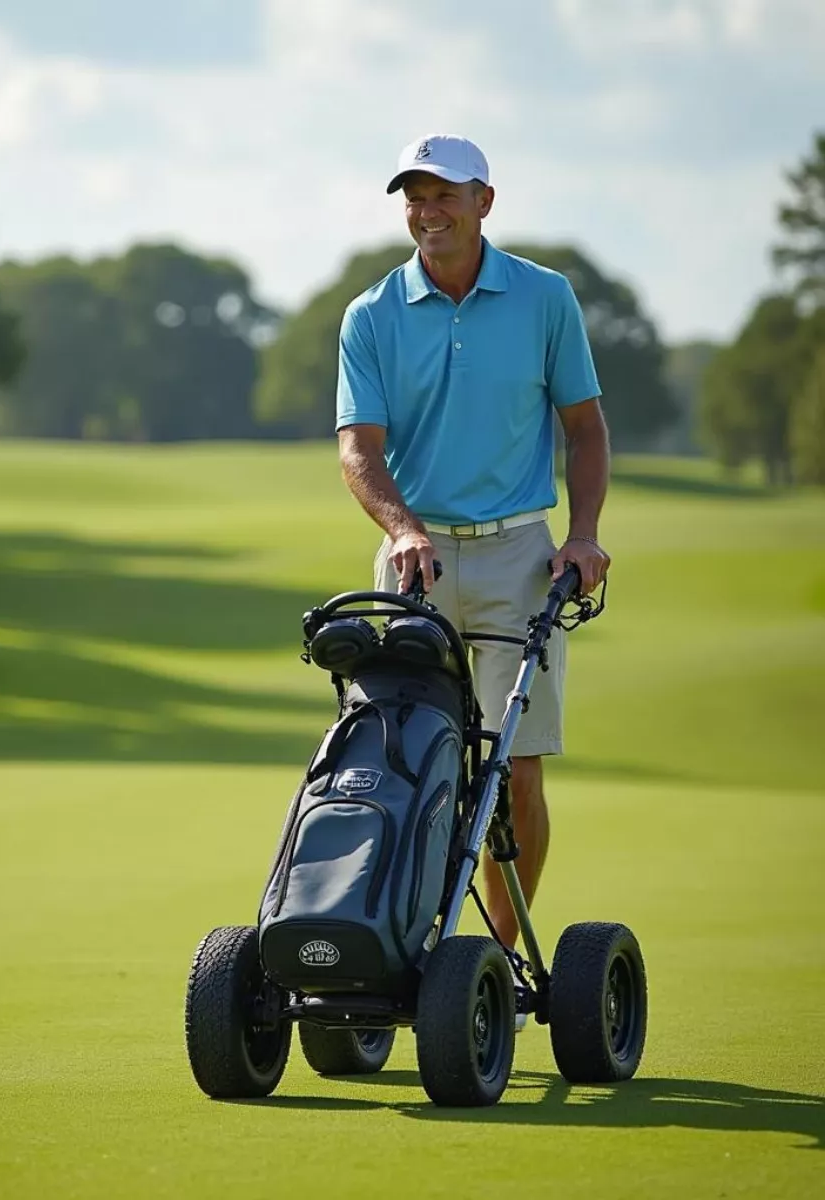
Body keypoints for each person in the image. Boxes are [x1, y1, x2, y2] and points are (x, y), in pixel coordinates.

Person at [334, 133, 611, 1001]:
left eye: (445, 194)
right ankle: (391, 938)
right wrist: (404, 531)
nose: (427, 211)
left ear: (484, 201)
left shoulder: (544, 299)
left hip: (522, 554)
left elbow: (586, 429)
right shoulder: (371, 314)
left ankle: (486, 954)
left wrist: (586, 532)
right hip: (415, 561)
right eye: (414, 195)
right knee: (397, 759)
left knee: (513, 765)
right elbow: (359, 450)